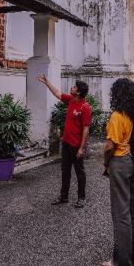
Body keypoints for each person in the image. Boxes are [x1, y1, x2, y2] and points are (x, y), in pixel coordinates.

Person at [101, 78, 134, 266]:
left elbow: (110, 146)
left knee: (121, 213)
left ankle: (121, 261)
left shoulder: (116, 116)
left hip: (120, 162)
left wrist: (105, 162)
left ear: (116, 94)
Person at [38, 74, 92, 208]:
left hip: (76, 145)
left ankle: (81, 198)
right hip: (67, 143)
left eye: (74, 87)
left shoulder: (85, 107)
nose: (72, 88)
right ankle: (64, 197)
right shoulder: (71, 100)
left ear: (78, 91)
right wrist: (47, 82)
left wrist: (81, 148)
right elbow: (57, 93)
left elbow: (86, 129)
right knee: (65, 170)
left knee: (80, 172)